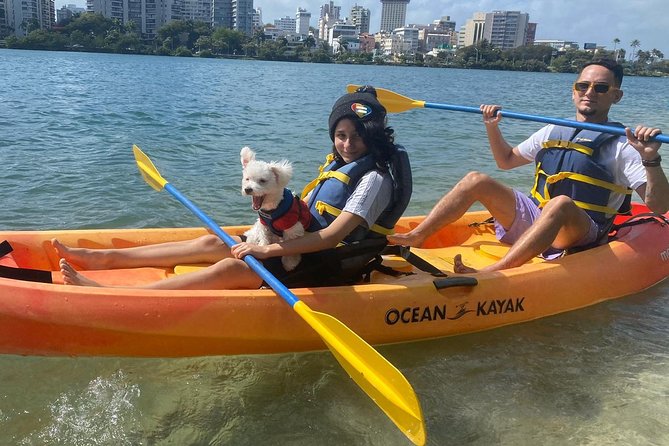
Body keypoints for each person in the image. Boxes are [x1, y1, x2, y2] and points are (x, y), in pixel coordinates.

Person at [55, 86, 411, 289]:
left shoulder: (374, 179)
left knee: (233, 269)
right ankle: (104, 258)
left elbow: (332, 238)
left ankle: (121, 294)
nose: (348, 144)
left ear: (374, 135)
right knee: (214, 242)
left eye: (358, 135)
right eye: (341, 135)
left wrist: (268, 252)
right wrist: (267, 223)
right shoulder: (340, 164)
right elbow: (299, 211)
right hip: (295, 243)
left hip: (331, 261)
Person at [388, 58, 669, 273]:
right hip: (537, 217)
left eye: (600, 88)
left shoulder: (623, 144)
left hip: (580, 231)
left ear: (616, 96)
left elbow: (658, 206)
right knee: (476, 179)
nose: (589, 92)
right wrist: (491, 127)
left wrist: (650, 158)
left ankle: (498, 272)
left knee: (559, 204)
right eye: (583, 86)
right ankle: (416, 235)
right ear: (573, 92)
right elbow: (506, 161)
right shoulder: (552, 131)